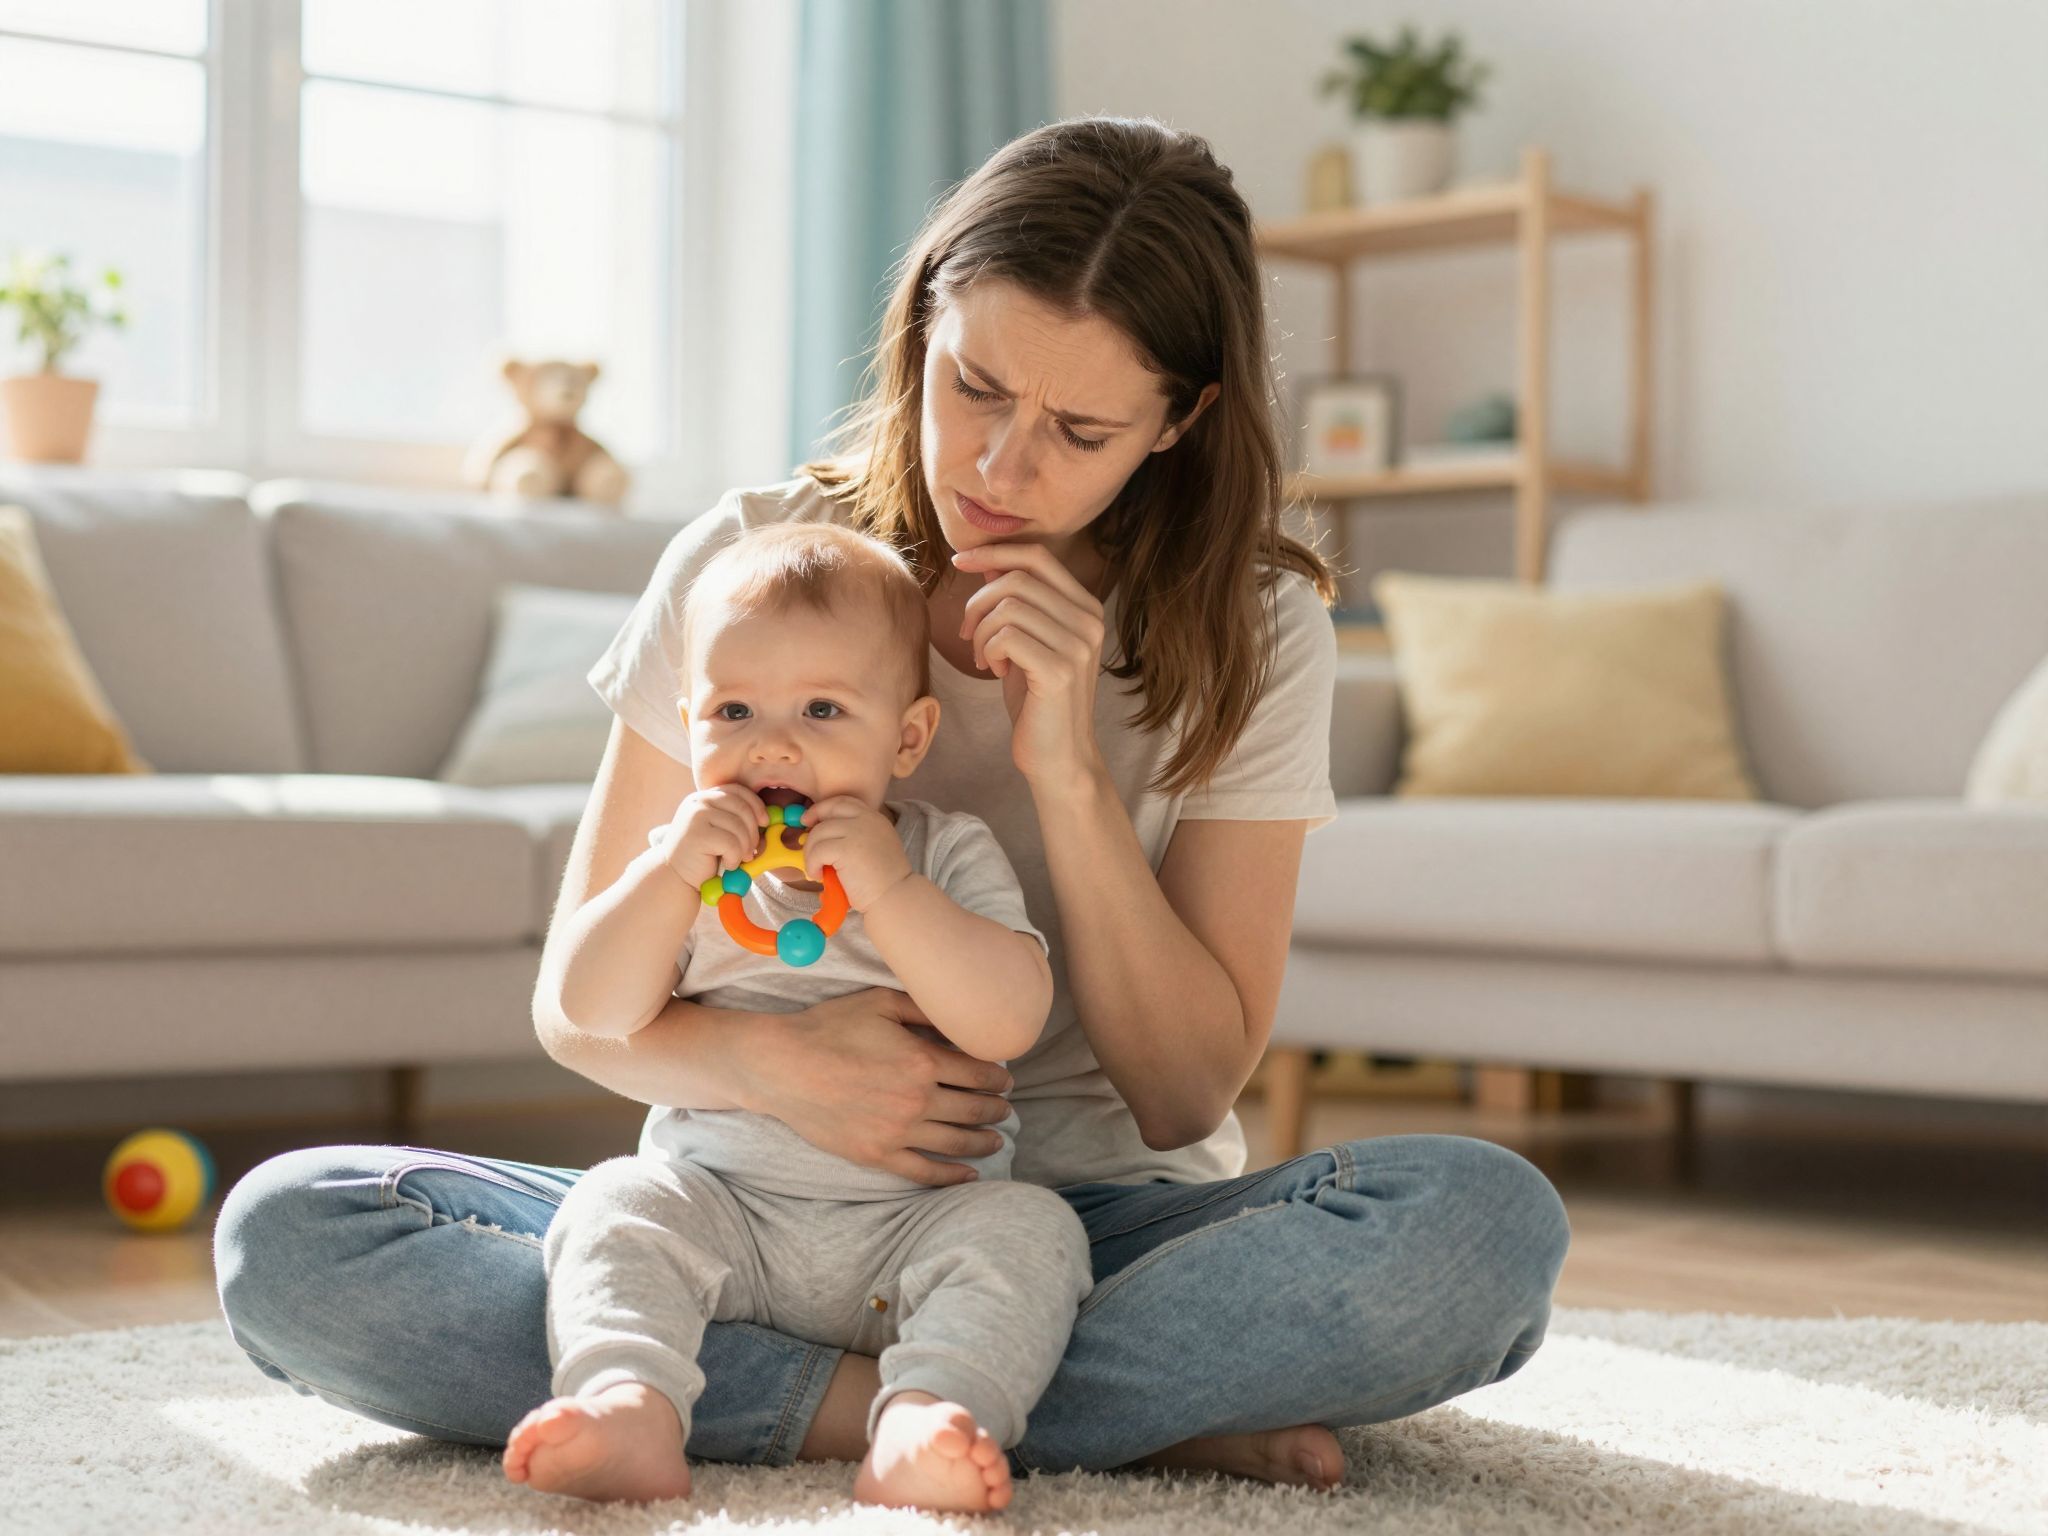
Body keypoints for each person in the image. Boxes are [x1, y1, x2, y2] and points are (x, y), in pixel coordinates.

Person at [214, 114, 1570, 1492]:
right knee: (295, 1235)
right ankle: (998, 1413)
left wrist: (1067, 769)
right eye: (973, 387)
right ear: (921, 328)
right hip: (734, 1207)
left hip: (1073, 1225)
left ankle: (788, 1390)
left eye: (1079, 431)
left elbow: (1180, 1097)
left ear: (1180, 422)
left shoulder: (1256, 627)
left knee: (1477, 1228)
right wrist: (773, 1069)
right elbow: (578, 1011)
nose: (999, 470)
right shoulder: (750, 561)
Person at [501, 521, 1090, 1513]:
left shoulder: (943, 853)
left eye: (822, 709)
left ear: (906, 738)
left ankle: (927, 1415)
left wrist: (889, 889)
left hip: (914, 1228)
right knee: (613, 1203)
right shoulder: (687, 867)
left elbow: (1007, 1022)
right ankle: (629, 1403)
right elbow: (589, 1008)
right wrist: (668, 874)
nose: (771, 744)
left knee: (1034, 1232)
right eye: (732, 711)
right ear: (688, 724)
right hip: (722, 1218)